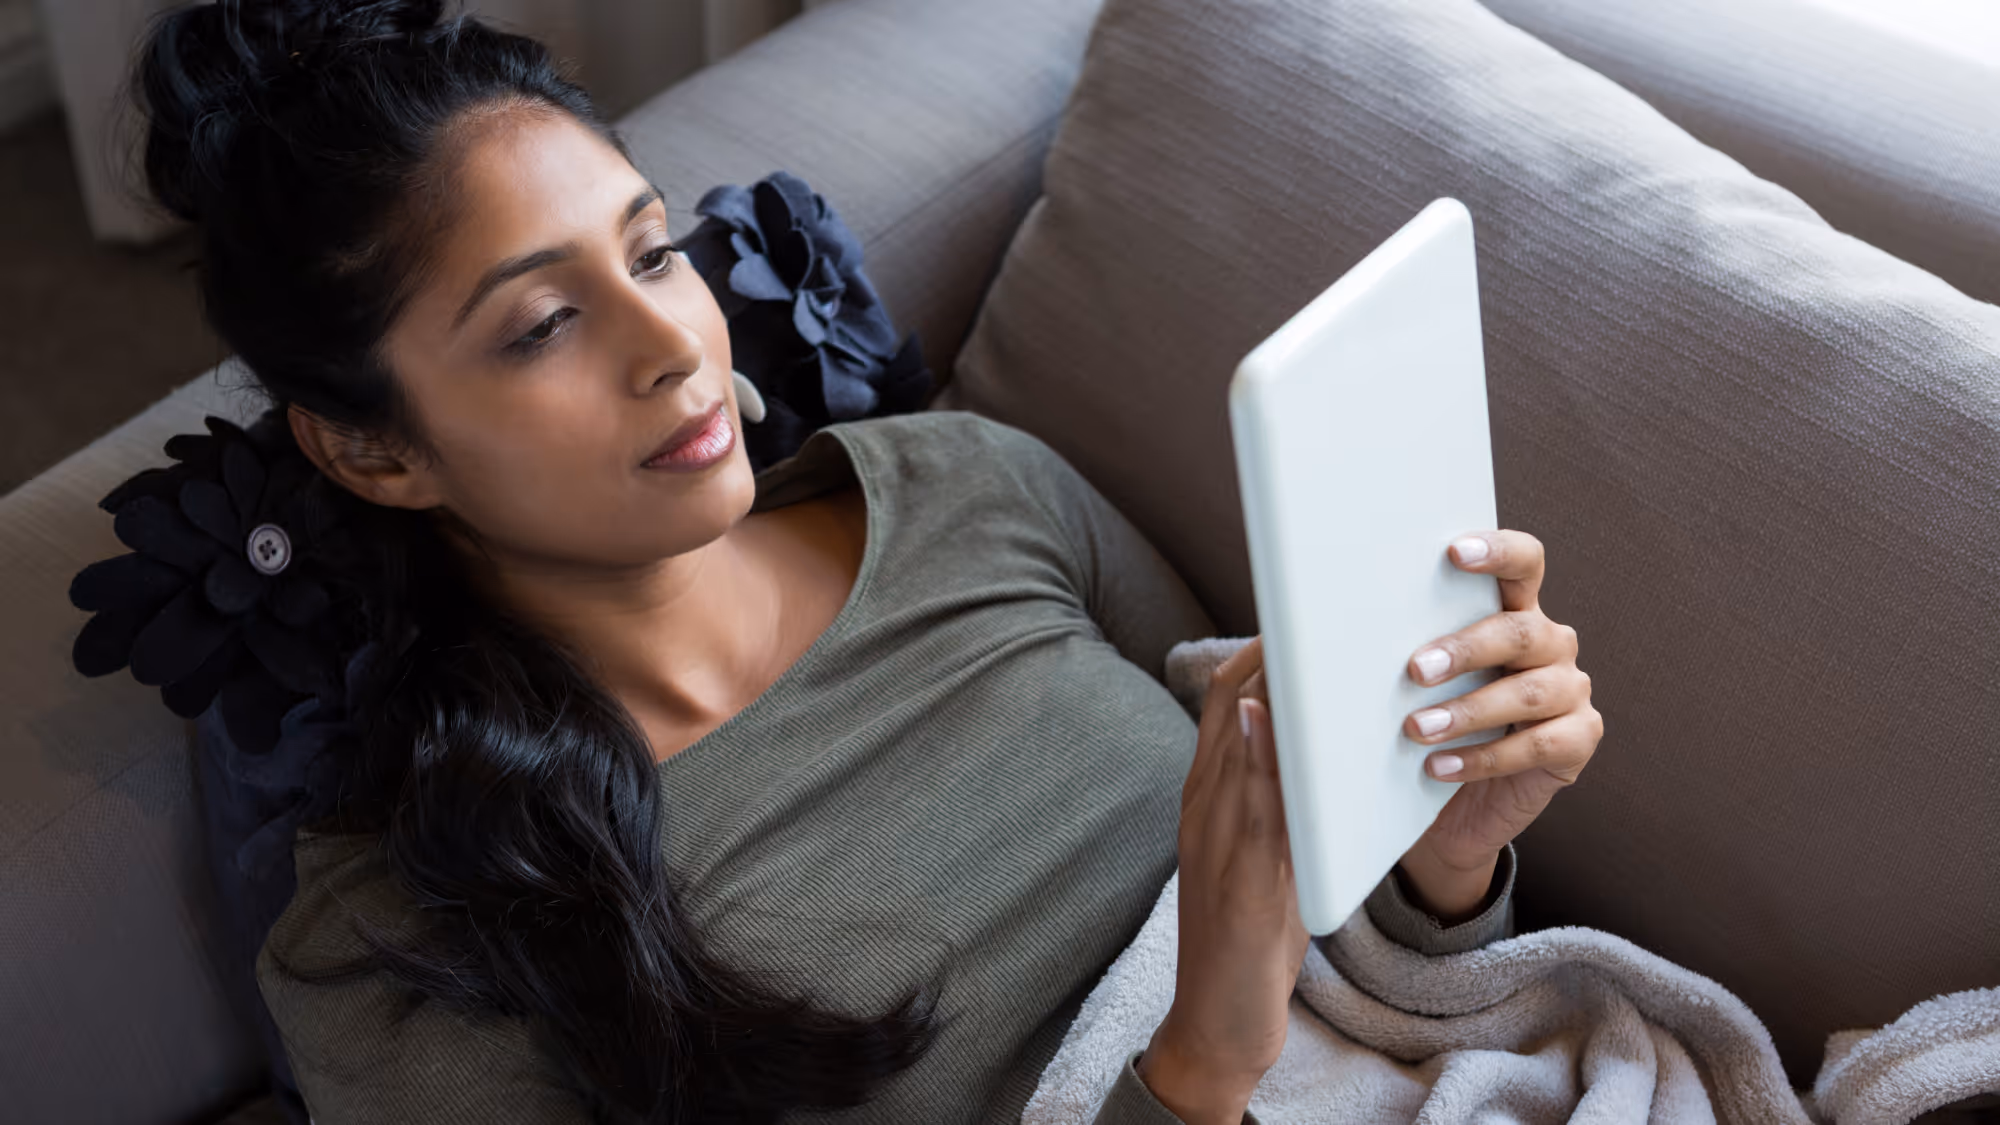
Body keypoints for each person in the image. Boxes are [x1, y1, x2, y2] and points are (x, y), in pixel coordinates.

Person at [130, 2, 1603, 1122]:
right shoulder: (398, 944)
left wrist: (1453, 853)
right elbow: (1236, 997)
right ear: (373, 451)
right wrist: (1198, 1062)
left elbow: (1344, 942)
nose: (672, 349)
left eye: (651, 256)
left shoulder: (980, 487)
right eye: (540, 327)